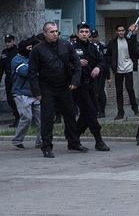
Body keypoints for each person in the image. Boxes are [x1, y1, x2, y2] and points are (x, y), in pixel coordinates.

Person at [29, 21, 89, 158]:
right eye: (52, 31)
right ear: (45, 33)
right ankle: (47, 146)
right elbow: (32, 73)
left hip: (64, 86)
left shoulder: (65, 45)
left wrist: (75, 81)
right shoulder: (38, 49)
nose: (55, 34)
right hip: (47, 88)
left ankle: (73, 142)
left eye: (56, 31)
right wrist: (36, 92)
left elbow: (77, 64)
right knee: (48, 117)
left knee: (71, 115)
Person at [71, 22, 110, 151]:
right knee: (91, 112)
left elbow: (102, 61)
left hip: (91, 84)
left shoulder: (93, 47)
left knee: (88, 112)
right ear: (77, 33)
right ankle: (98, 141)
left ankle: (73, 137)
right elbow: (64, 64)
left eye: (86, 32)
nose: (84, 34)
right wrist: (76, 62)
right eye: (82, 32)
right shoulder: (71, 48)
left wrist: (98, 67)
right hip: (78, 85)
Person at [10, 37, 42, 149]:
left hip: (35, 93)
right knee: (27, 117)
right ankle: (17, 140)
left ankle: (40, 141)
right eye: (28, 48)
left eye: (31, 48)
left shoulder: (32, 58)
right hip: (20, 93)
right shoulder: (16, 60)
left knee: (41, 118)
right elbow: (26, 72)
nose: (30, 50)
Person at [105, 24, 139, 120]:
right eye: (119, 30)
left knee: (130, 89)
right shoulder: (112, 42)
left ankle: (135, 109)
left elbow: (136, 47)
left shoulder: (129, 40)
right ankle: (120, 112)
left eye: (123, 30)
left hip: (128, 68)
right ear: (116, 32)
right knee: (119, 92)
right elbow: (107, 55)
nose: (121, 32)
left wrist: (134, 33)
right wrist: (112, 64)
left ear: (125, 31)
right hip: (118, 70)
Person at [89, 29, 110, 118]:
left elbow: (106, 61)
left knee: (100, 91)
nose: (94, 39)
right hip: (91, 71)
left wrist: (108, 76)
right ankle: (96, 110)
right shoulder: (88, 47)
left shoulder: (102, 47)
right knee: (93, 91)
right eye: (92, 37)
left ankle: (102, 111)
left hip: (101, 72)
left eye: (95, 37)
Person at [1, 34, 20, 127]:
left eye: (9, 41)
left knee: (17, 98)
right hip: (8, 78)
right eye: (6, 42)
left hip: (17, 78)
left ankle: (20, 118)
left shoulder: (18, 51)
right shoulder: (4, 52)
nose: (7, 43)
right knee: (10, 99)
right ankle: (17, 117)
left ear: (13, 41)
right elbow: (1, 67)